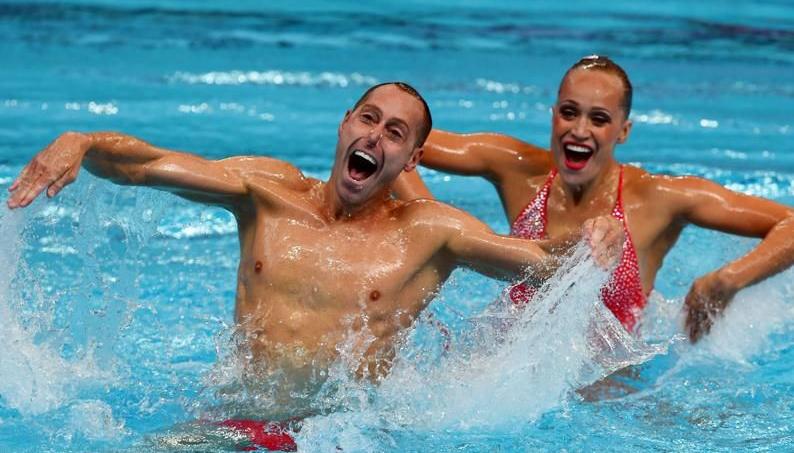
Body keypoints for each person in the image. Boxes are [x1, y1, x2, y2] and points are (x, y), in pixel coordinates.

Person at [6, 82, 623, 451]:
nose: (376, 137)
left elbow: (541, 265)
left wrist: (596, 239)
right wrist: (82, 142)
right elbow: (147, 164)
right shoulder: (267, 192)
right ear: (345, 123)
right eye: (368, 119)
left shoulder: (432, 234)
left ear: (410, 160)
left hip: (339, 437)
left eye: (396, 133)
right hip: (230, 424)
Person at [395, 55, 794, 340]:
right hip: (508, 372)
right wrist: (430, 221)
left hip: (611, 397)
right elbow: (394, 140)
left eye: (599, 119)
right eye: (569, 112)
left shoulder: (657, 198)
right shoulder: (517, 168)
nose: (580, 130)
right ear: (553, 115)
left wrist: (727, 281)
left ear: (623, 131)